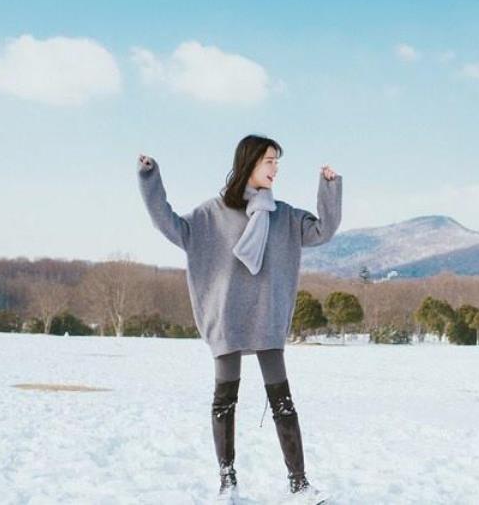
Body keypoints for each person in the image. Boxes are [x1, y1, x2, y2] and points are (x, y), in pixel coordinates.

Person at [136, 134, 342, 503]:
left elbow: (323, 231)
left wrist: (328, 188)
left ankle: (299, 484)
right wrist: (150, 179)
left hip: (267, 319)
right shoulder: (210, 214)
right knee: (224, 401)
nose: (275, 168)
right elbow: (169, 225)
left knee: (283, 403)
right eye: (269, 161)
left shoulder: (284, 217)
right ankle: (227, 481)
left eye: (278, 162)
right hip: (227, 319)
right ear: (249, 163)